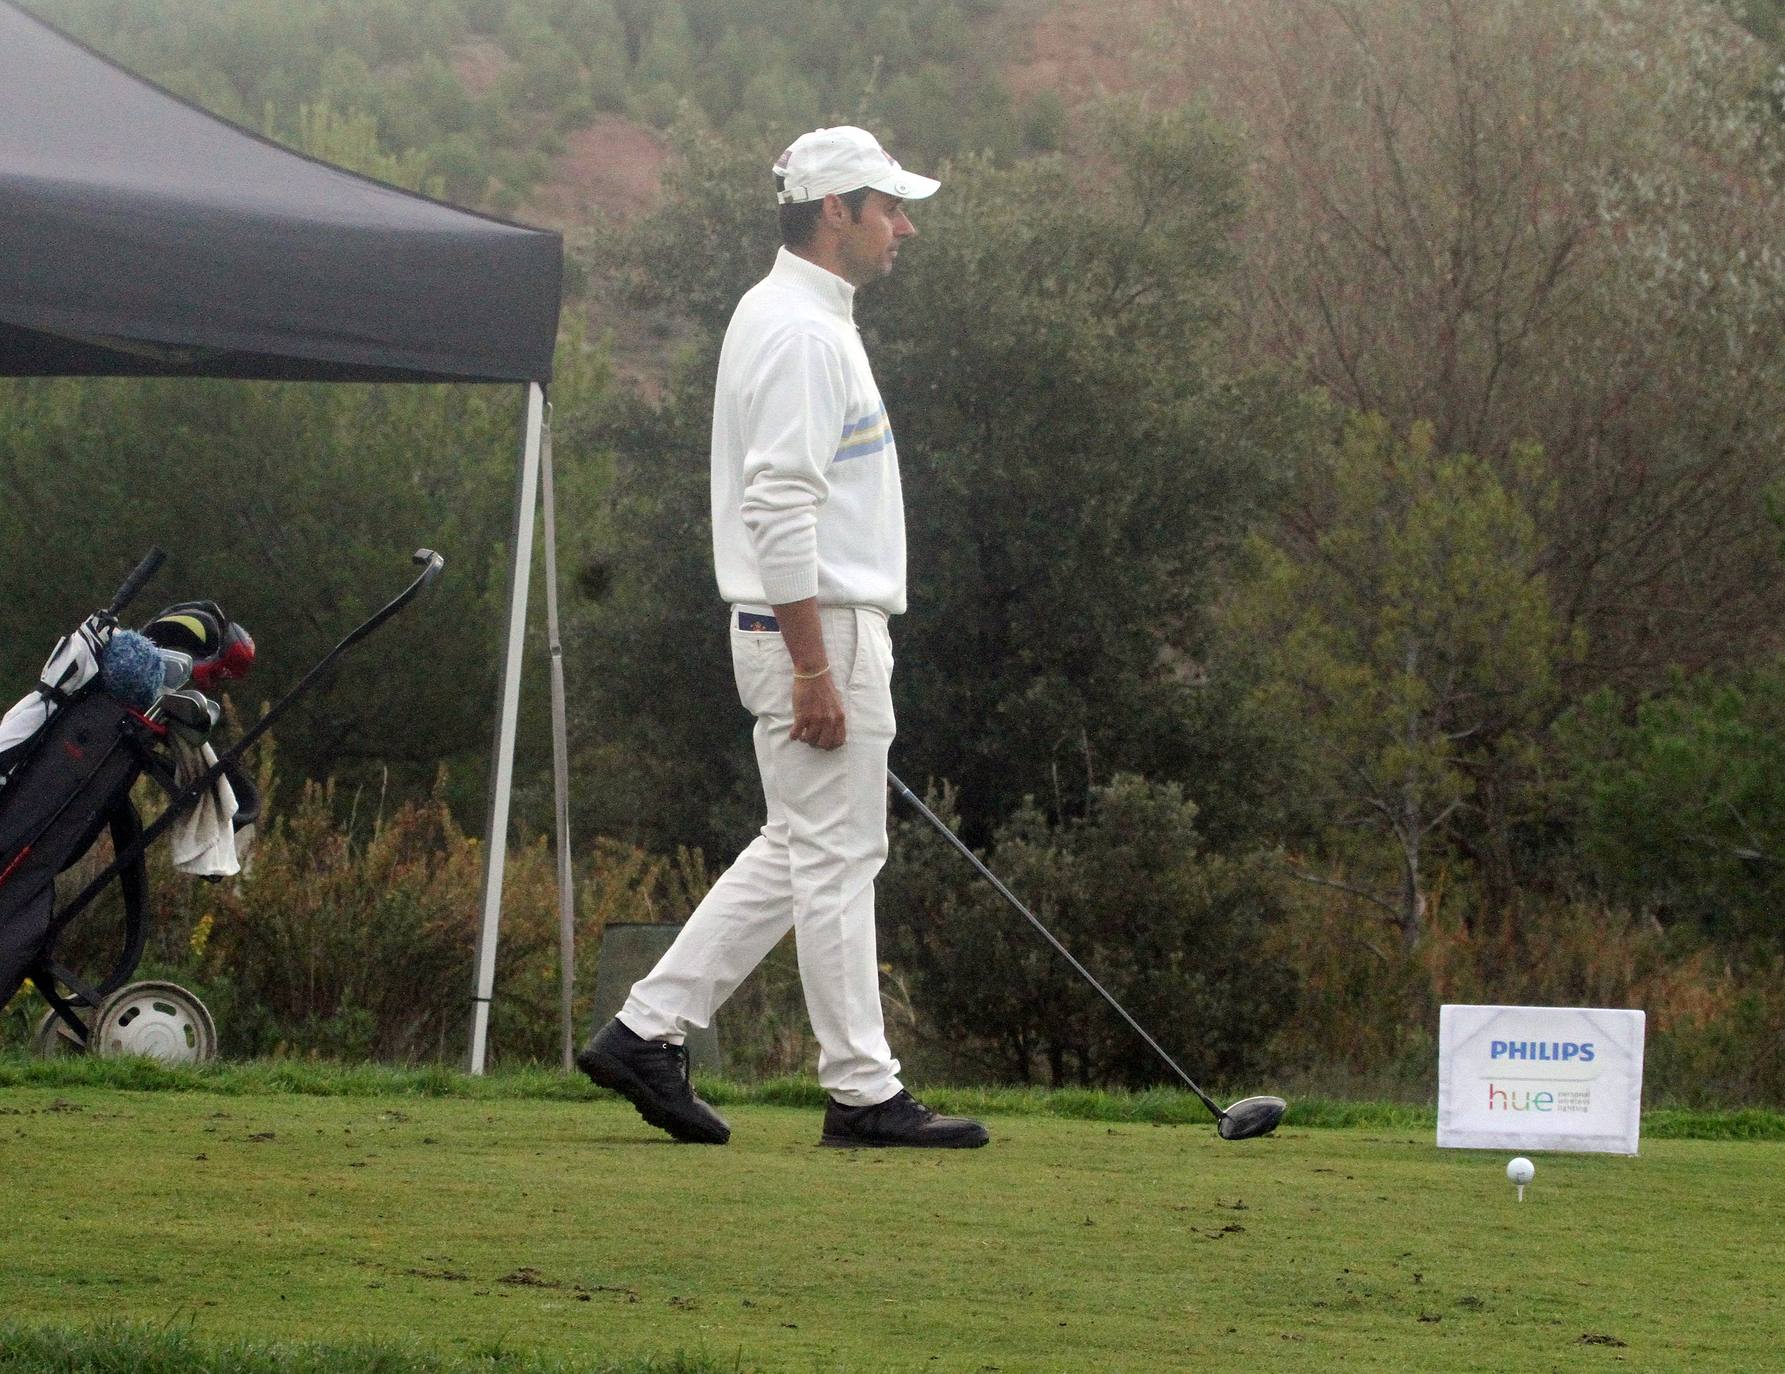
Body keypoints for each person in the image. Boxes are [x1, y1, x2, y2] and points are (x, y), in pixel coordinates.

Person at [578, 126, 988, 1151]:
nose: (905, 226)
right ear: (834, 211)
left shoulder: (795, 315)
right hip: (816, 630)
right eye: (888, 207)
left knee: (805, 848)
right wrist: (813, 665)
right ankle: (862, 1091)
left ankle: (644, 1029)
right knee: (841, 856)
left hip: (814, 626)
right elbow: (780, 507)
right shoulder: (803, 333)